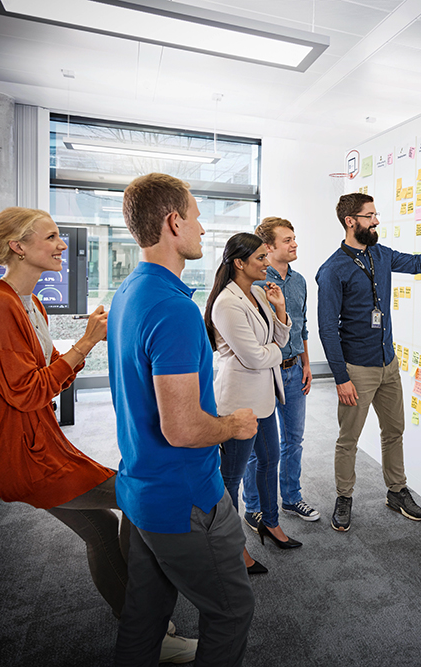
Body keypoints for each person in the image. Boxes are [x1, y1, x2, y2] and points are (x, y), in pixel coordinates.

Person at [0, 207, 197, 663]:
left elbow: (51, 373)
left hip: (38, 444)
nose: (62, 245)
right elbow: (27, 391)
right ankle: (148, 630)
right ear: (19, 247)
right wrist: (86, 343)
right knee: (134, 495)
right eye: (51, 237)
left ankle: (144, 629)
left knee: (101, 529)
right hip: (20, 455)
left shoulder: (30, 302)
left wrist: (93, 346)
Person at [108, 173, 258, 667]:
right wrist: (233, 426)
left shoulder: (130, 291)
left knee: (145, 614)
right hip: (183, 497)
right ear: (174, 222)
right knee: (232, 610)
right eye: (196, 217)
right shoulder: (174, 310)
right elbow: (184, 428)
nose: (201, 228)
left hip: (142, 490)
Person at [316, 193, 421, 531]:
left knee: (394, 431)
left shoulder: (381, 254)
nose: (376, 221)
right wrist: (341, 377)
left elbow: (418, 264)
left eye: (375, 214)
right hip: (357, 369)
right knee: (349, 439)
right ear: (351, 222)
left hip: (388, 363)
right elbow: (328, 328)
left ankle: (397, 490)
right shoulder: (332, 270)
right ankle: (344, 497)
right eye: (369, 216)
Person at [205, 232, 301, 569]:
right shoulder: (226, 303)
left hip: (264, 398)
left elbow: (279, 337)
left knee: (269, 460)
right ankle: (231, 547)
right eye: (260, 257)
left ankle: (270, 522)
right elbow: (255, 357)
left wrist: (280, 309)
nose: (266, 263)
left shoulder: (259, 293)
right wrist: (274, 352)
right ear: (239, 263)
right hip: (239, 402)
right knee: (230, 477)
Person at [240, 217, 319, 529]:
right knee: (258, 447)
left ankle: (291, 496)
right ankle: (254, 506)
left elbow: (301, 327)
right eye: (287, 240)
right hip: (265, 373)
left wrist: (307, 363)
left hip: (294, 370)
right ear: (268, 248)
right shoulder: (256, 284)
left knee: (293, 440)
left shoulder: (299, 281)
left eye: (294, 238)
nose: (294, 244)